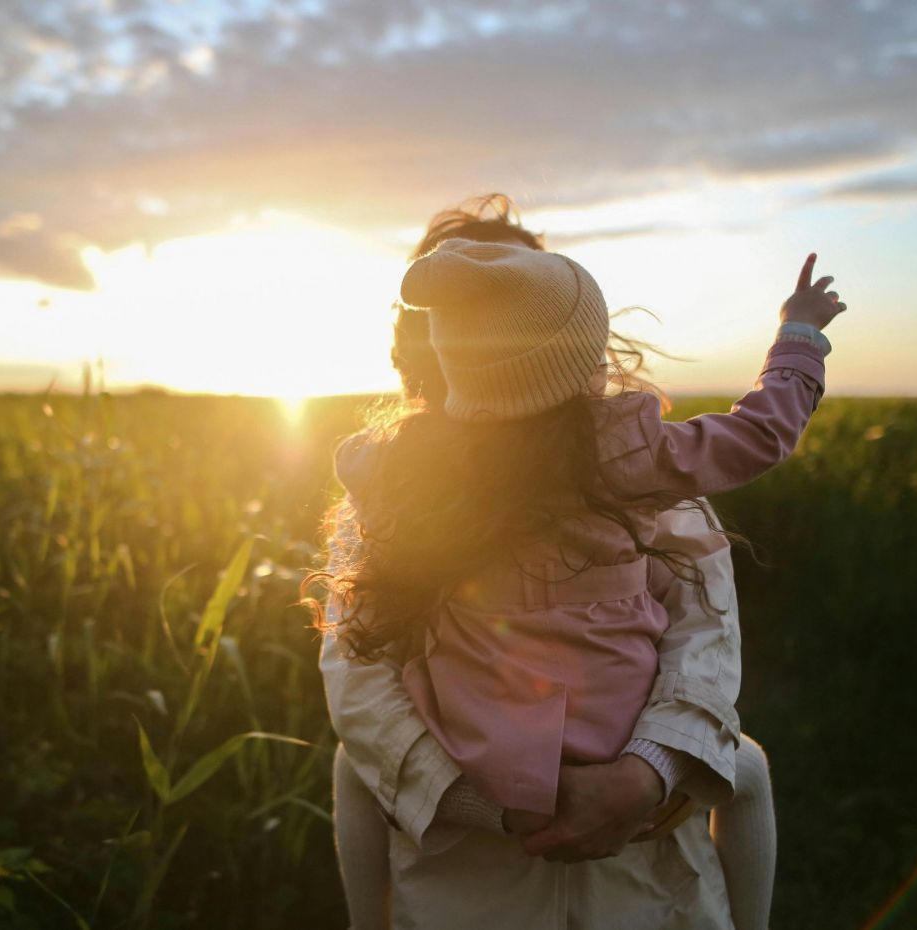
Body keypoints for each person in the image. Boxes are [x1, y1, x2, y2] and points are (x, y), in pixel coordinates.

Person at [318, 195, 845, 929]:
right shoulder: (631, 461)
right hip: (463, 876)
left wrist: (646, 774)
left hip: (643, 867)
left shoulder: (403, 475)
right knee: (745, 767)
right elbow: (358, 676)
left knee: (742, 763)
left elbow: (705, 632)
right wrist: (797, 339)